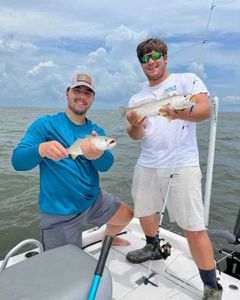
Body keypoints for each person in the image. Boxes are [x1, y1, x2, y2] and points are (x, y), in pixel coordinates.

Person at [125, 38, 222, 300]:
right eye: (144, 59)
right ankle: (152, 247)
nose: (151, 62)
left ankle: (211, 285)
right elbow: (136, 134)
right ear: (141, 65)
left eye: (155, 56)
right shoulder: (138, 97)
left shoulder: (186, 81)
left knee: (193, 226)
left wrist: (177, 112)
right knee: (145, 213)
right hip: (147, 164)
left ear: (165, 57)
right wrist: (134, 122)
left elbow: (204, 110)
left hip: (182, 165)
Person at [12, 71, 133, 251]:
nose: (82, 96)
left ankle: (108, 237)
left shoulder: (95, 129)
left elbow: (107, 165)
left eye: (87, 93)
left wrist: (98, 155)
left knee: (128, 215)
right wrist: (41, 149)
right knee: (67, 269)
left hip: (93, 201)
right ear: (67, 92)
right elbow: (18, 161)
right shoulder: (45, 124)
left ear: (92, 98)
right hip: (60, 211)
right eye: (77, 90)